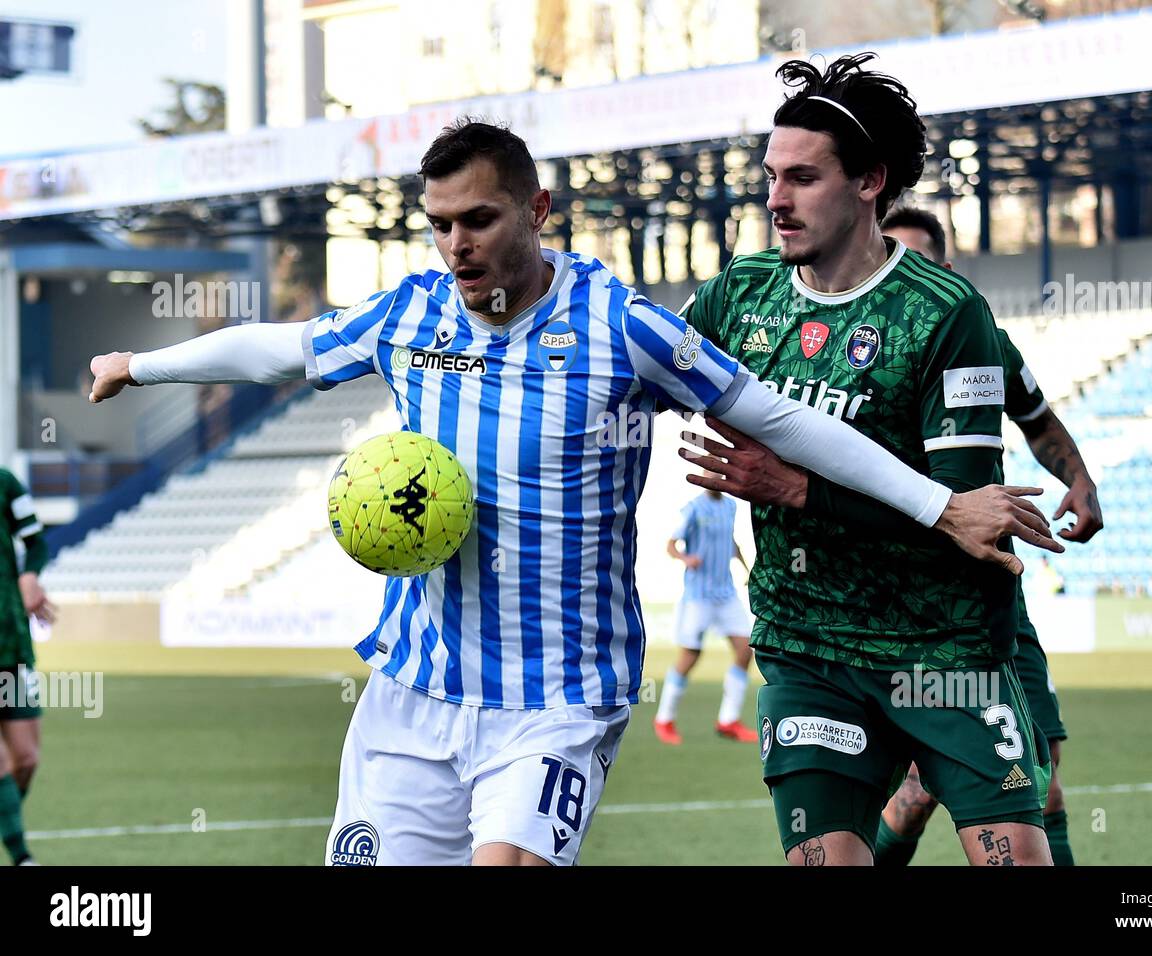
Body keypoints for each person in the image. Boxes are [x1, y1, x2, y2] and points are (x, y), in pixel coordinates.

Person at [89, 119, 1059, 867]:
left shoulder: (621, 327)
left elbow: (775, 415)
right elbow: (286, 351)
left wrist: (940, 502)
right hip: (414, 689)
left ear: (538, 209)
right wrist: (141, 363)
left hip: (554, 699)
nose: (457, 245)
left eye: (479, 219)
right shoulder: (412, 313)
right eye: (439, 226)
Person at [679, 53, 1065, 865]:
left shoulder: (946, 313)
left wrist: (796, 490)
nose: (777, 201)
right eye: (771, 176)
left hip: (942, 652)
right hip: (808, 645)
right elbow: (631, 370)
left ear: (869, 182)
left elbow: (964, 519)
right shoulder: (736, 297)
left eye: (803, 178)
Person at [871, 206, 1103, 867]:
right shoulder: (854, 352)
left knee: (1042, 777)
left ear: (946, 272)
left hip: (990, 597)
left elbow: (1036, 417)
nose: (903, 281)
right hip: (890, 608)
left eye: (918, 265)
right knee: (913, 795)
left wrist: (1080, 480)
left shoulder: (983, 340)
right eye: (892, 265)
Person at [654, 480, 757, 745]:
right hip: (698, 596)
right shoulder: (693, 509)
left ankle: (728, 720)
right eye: (707, 469)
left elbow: (730, 541)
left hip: (726, 594)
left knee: (746, 649)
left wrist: (746, 570)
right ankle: (664, 719)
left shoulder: (731, 506)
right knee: (691, 655)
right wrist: (686, 559)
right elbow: (671, 544)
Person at [0, 467, 55, 866]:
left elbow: (36, 543)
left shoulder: (6, 483)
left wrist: (30, 578)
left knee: (26, 759)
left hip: (12, 642)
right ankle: (22, 857)